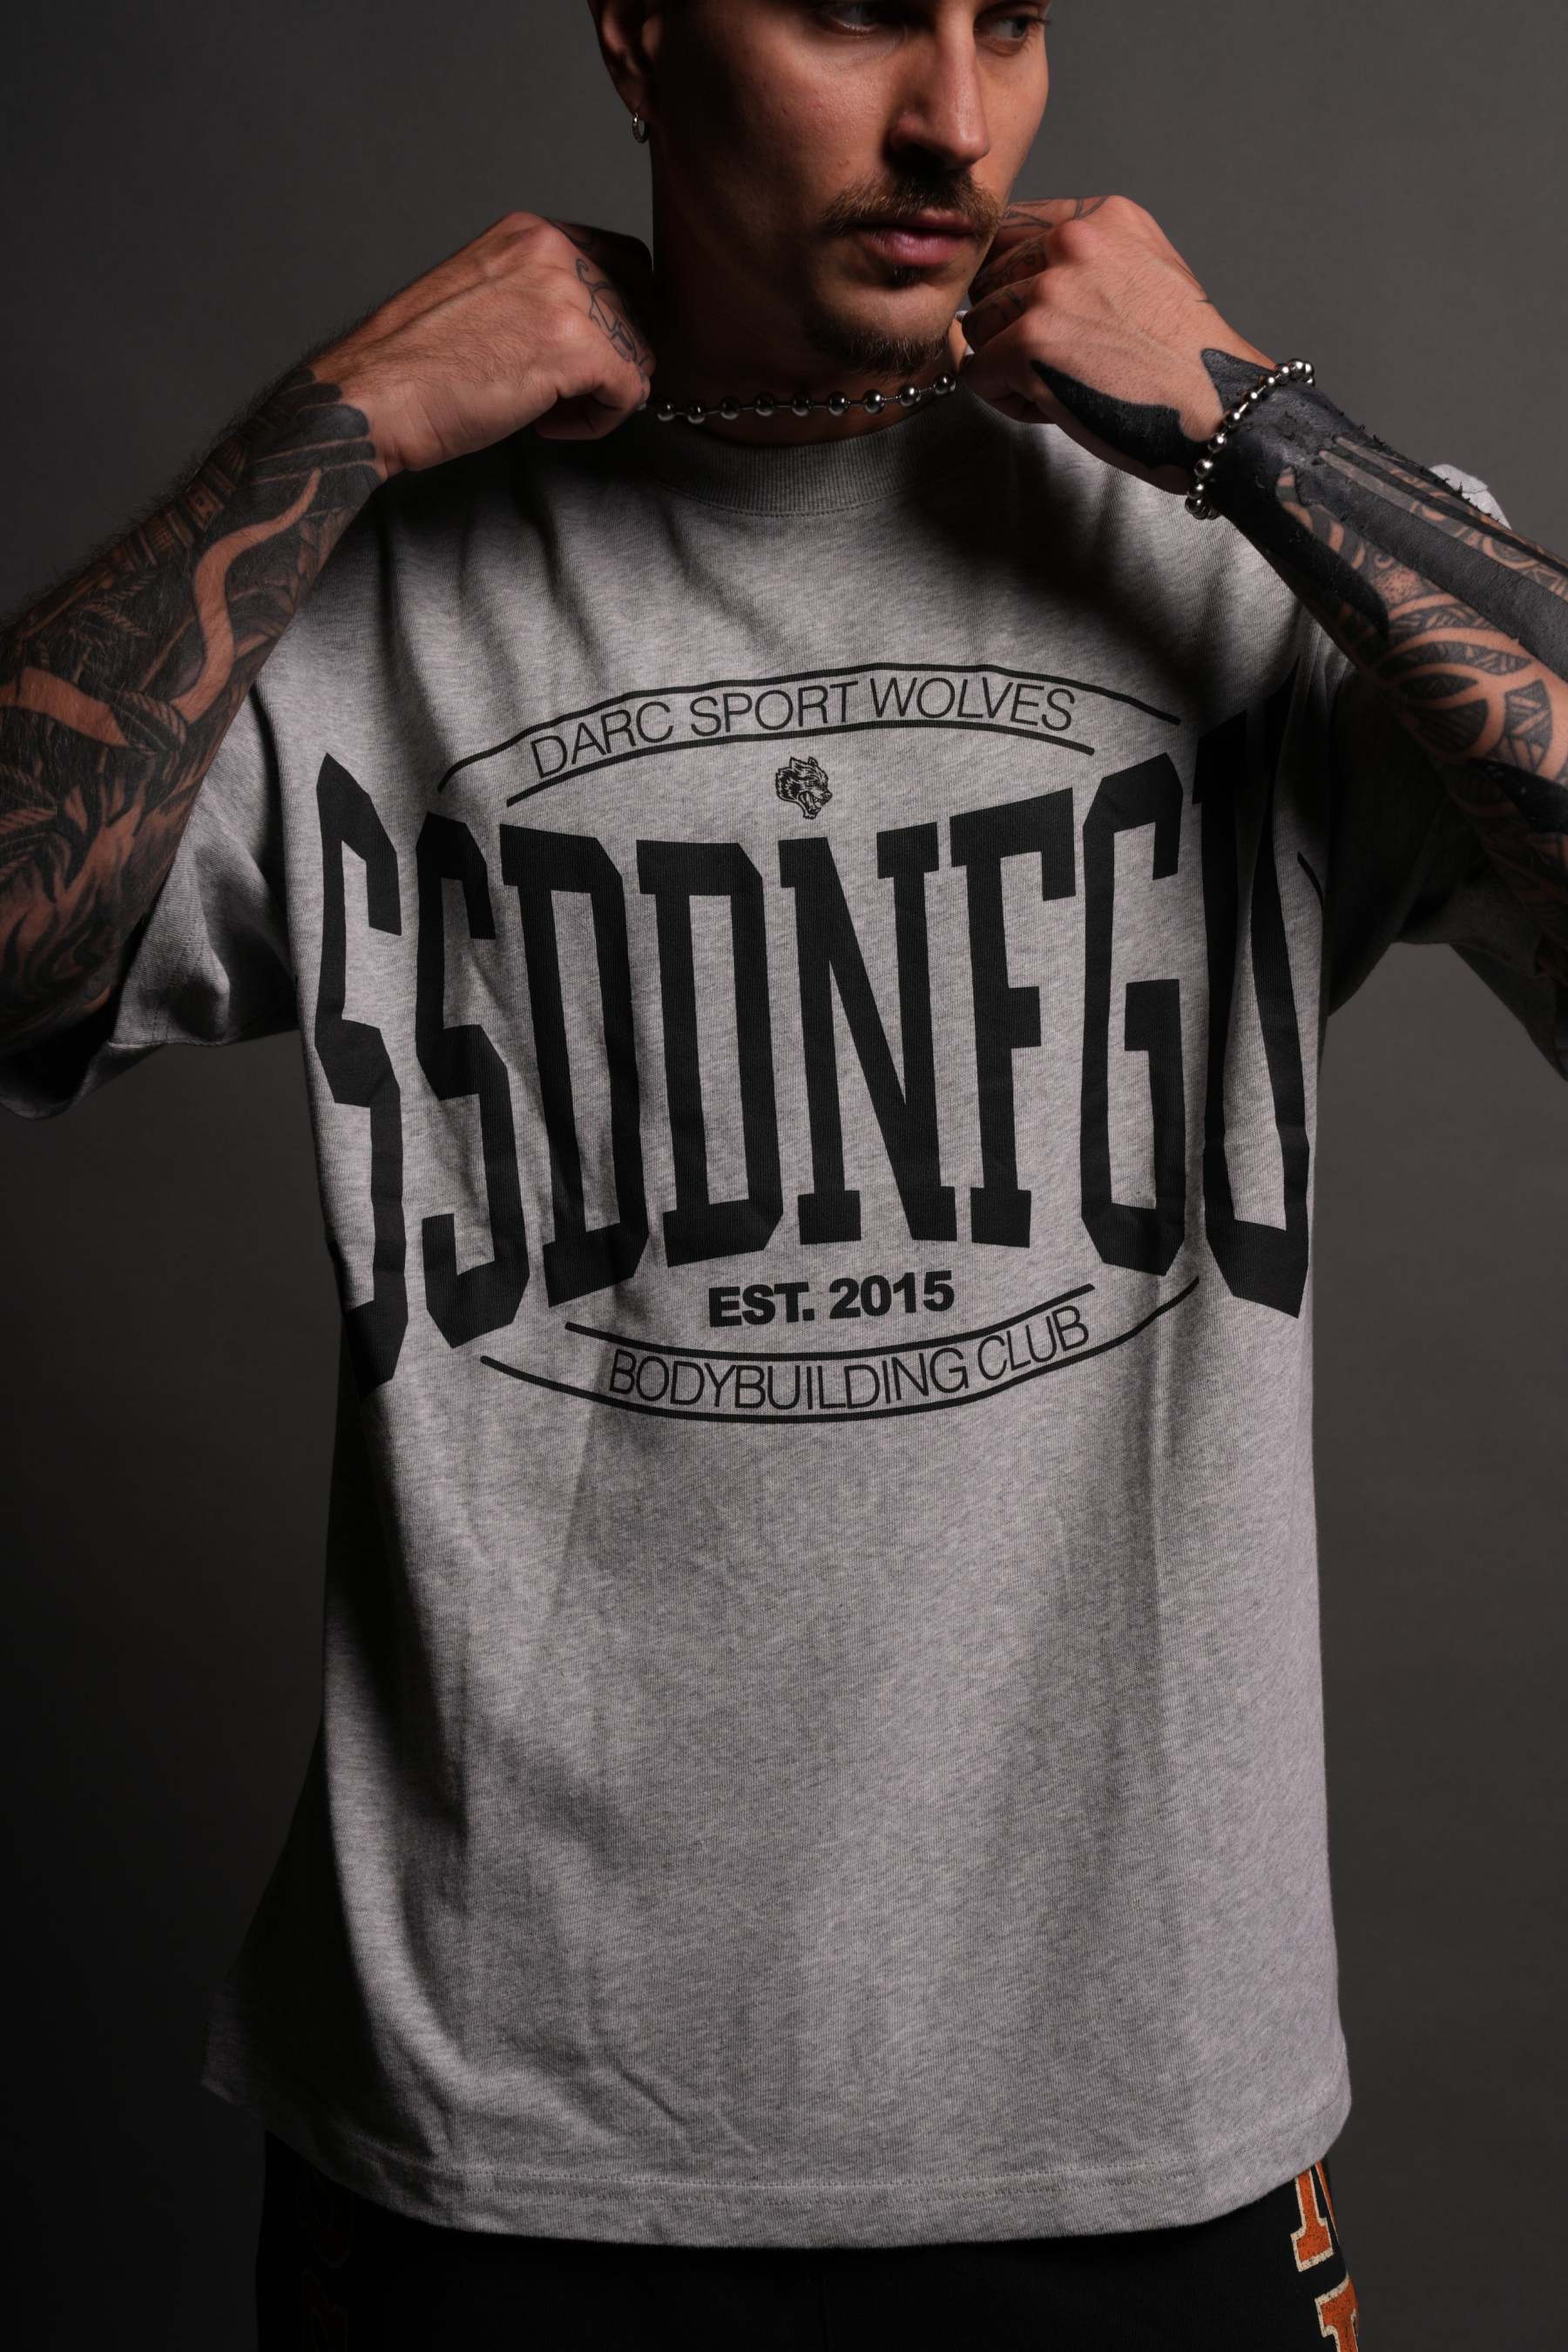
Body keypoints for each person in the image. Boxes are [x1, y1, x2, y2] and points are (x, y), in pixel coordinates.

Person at [3, 0, 1564, 2340]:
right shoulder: (386, 590)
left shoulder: (1250, 554)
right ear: (640, 37)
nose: (955, 119)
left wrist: (1264, 429)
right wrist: (327, 428)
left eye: (1007, 17)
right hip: (500, 2171)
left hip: (1137, 2138)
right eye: (851, 10)